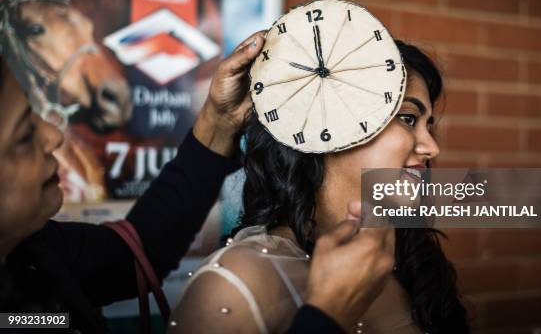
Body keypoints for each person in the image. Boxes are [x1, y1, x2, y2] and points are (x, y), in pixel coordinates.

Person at [0, 31, 395, 333]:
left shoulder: (34, 258)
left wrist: (218, 122)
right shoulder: (235, 283)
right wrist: (326, 318)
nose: (53, 136)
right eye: (22, 136)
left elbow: (137, 251)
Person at [171, 40, 470, 334]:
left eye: (428, 125)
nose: (431, 148)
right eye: (407, 118)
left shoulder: (407, 258)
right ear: (326, 130)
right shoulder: (236, 284)